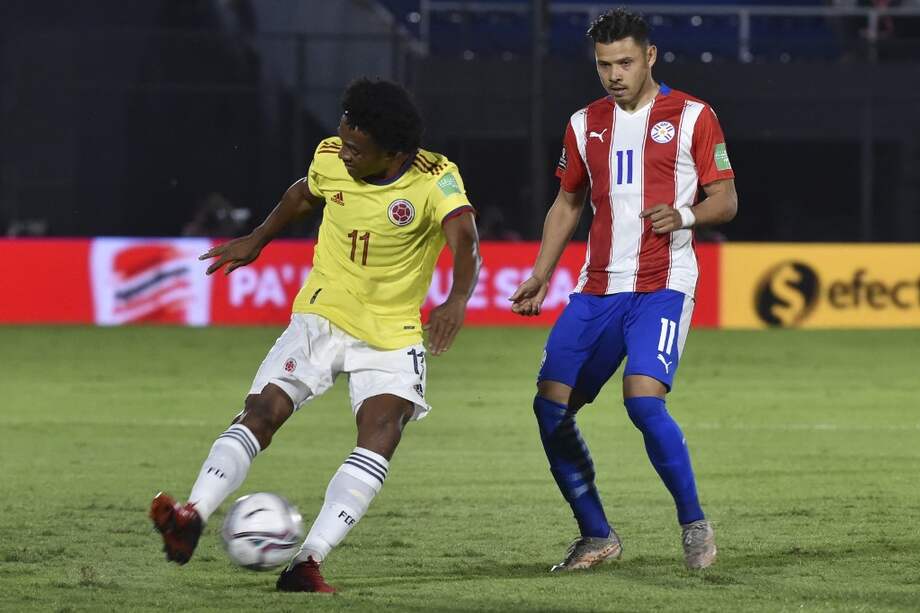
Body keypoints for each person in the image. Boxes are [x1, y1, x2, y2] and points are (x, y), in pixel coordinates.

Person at [150, 78, 481, 593]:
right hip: (321, 314)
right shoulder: (331, 155)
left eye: (357, 148)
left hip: (391, 331)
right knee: (262, 410)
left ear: (393, 152)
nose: (344, 151)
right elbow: (304, 194)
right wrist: (259, 237)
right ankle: (190, 516)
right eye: (343, 137)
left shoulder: (435, 178)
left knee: (382, 433)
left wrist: (457, 298)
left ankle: (306, 562)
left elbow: (465, 238)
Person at [509, 8, 737, 572]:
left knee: (642, 399)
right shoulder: (584, 123)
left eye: (625, 62)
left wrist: (683, 214)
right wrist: (541, 272)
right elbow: (567, 203)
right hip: (597, 289)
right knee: (550, 407)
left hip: (664, 284)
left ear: (650, 56)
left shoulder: (693, 116)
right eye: (604, 64)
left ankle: (693, 523)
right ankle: (596, 535)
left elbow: (726, 200)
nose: (614, 74)